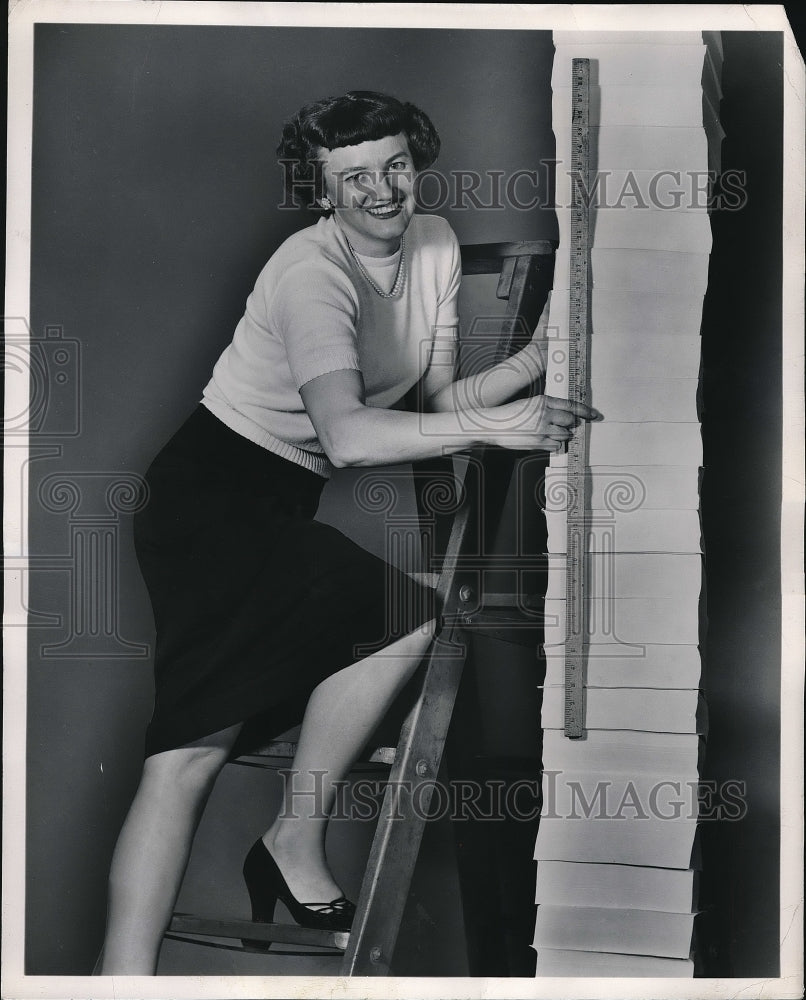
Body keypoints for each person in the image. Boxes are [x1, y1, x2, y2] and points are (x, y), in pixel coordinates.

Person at [97, 89, 598, 975]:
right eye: (353, 177)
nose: (381, 191)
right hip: (208, 502)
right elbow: (353, 436)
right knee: (195, 750)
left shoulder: (434, 242)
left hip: (277, 504)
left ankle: (287, 838)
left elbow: (434, 403)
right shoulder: (309, 272)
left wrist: (530, 364)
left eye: (396, 166)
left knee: (361, 643)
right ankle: (138, 968)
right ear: (322, 190)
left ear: (419, 162)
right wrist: (499, 428)